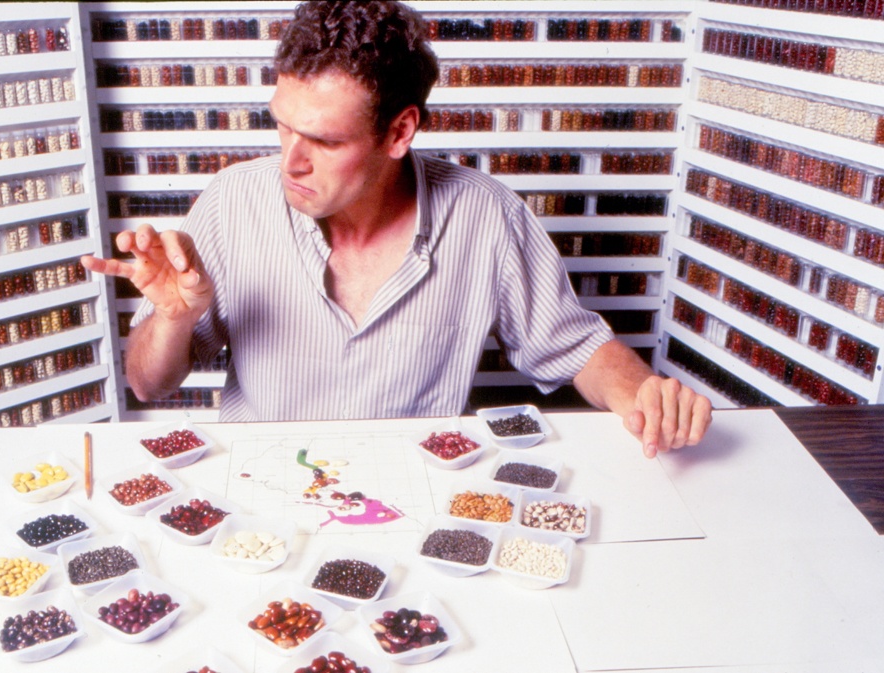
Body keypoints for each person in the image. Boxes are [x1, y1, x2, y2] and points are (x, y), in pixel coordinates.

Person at [81, 0, 712, 458]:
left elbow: (579, 350)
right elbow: (147, 383)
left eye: (324, 140)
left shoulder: (486, 216)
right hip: (258, 497)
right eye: (283, 126)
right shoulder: (231, 201)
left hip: (418, 499)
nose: (291, 161)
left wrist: (646, 395)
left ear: (400, 132)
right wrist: (173, 318)